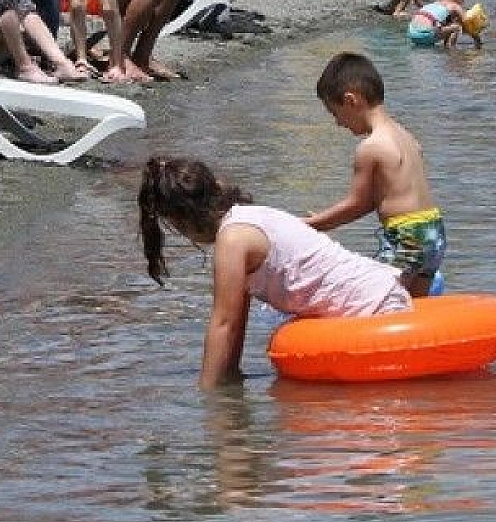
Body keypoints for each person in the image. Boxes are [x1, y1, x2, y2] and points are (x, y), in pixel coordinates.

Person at [137, 156, 411, 389]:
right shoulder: (248, 218)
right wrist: (230, 382)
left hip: (375, 310)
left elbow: (224, 324)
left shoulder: (233, 239)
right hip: (382, 292)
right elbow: (235, 325)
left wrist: (208, 398)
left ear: (184, 219)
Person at [305, 52, 446, 298]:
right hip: (434, 232)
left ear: (351, 101)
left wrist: (312, 225)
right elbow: (376, 201)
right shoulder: (406, 136)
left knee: (372, 300)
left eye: (335, 113)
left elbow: (357, 204)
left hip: (407, 235)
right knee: (412, 306)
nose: (339, 123)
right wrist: (324, 221)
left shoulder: (370, 148)